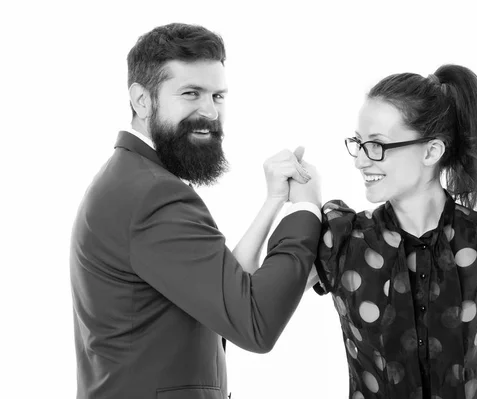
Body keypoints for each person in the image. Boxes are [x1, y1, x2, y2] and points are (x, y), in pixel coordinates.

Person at [69, 23, 321, 399]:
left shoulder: (135, 179)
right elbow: (254, 322)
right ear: (142, 100)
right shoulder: (152, 195)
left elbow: (228, 289)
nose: (210, 111)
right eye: (191, 94)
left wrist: (274, 203)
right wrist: (305, 207)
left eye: (218, 96)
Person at [307, 65, 477, 398]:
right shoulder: (340, 240)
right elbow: (248, 302)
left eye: (377, 145)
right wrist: (281, 203)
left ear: (432, 151)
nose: (360, 160)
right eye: (358, 144)